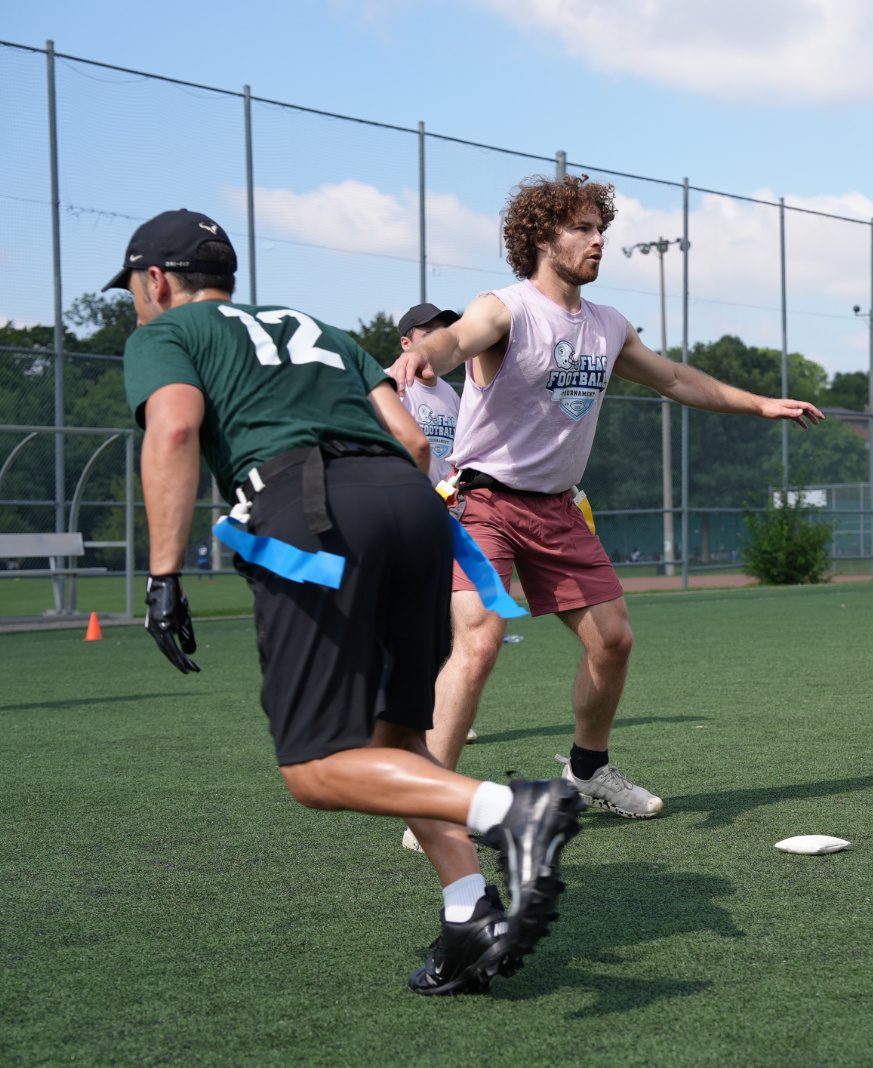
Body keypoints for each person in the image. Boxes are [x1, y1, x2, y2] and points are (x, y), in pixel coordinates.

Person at [113, 209, 582, 996]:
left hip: (315, 513)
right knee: (395, 743)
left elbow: (175, 432)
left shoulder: (166, 333)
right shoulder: (319, 328)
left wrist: (163, 576)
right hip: (416, 509)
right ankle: (469, 912)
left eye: (132, 286)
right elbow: (414, 440)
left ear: (155, 280)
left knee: (316, 767)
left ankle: (512, 810)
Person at [391, 174, 823, 819]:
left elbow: (674, 377)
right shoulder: (505, 308)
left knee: (612, 641)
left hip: (557, 507)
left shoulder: (608, 325)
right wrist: (424, 353)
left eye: (601, 229)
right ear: (542, 237)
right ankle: (430, 802)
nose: (598, 241)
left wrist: (759, 403)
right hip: (483, 504)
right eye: (582, 228)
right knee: (478, 643)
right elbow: (456, 340)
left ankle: (588, 770)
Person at [390, 302, 462, 487]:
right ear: (406, 344)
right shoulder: (385, 384)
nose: (438, 344)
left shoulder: (451, 394)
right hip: (402, 494)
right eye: (430, 336)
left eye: (443, 335)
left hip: (443, 500)